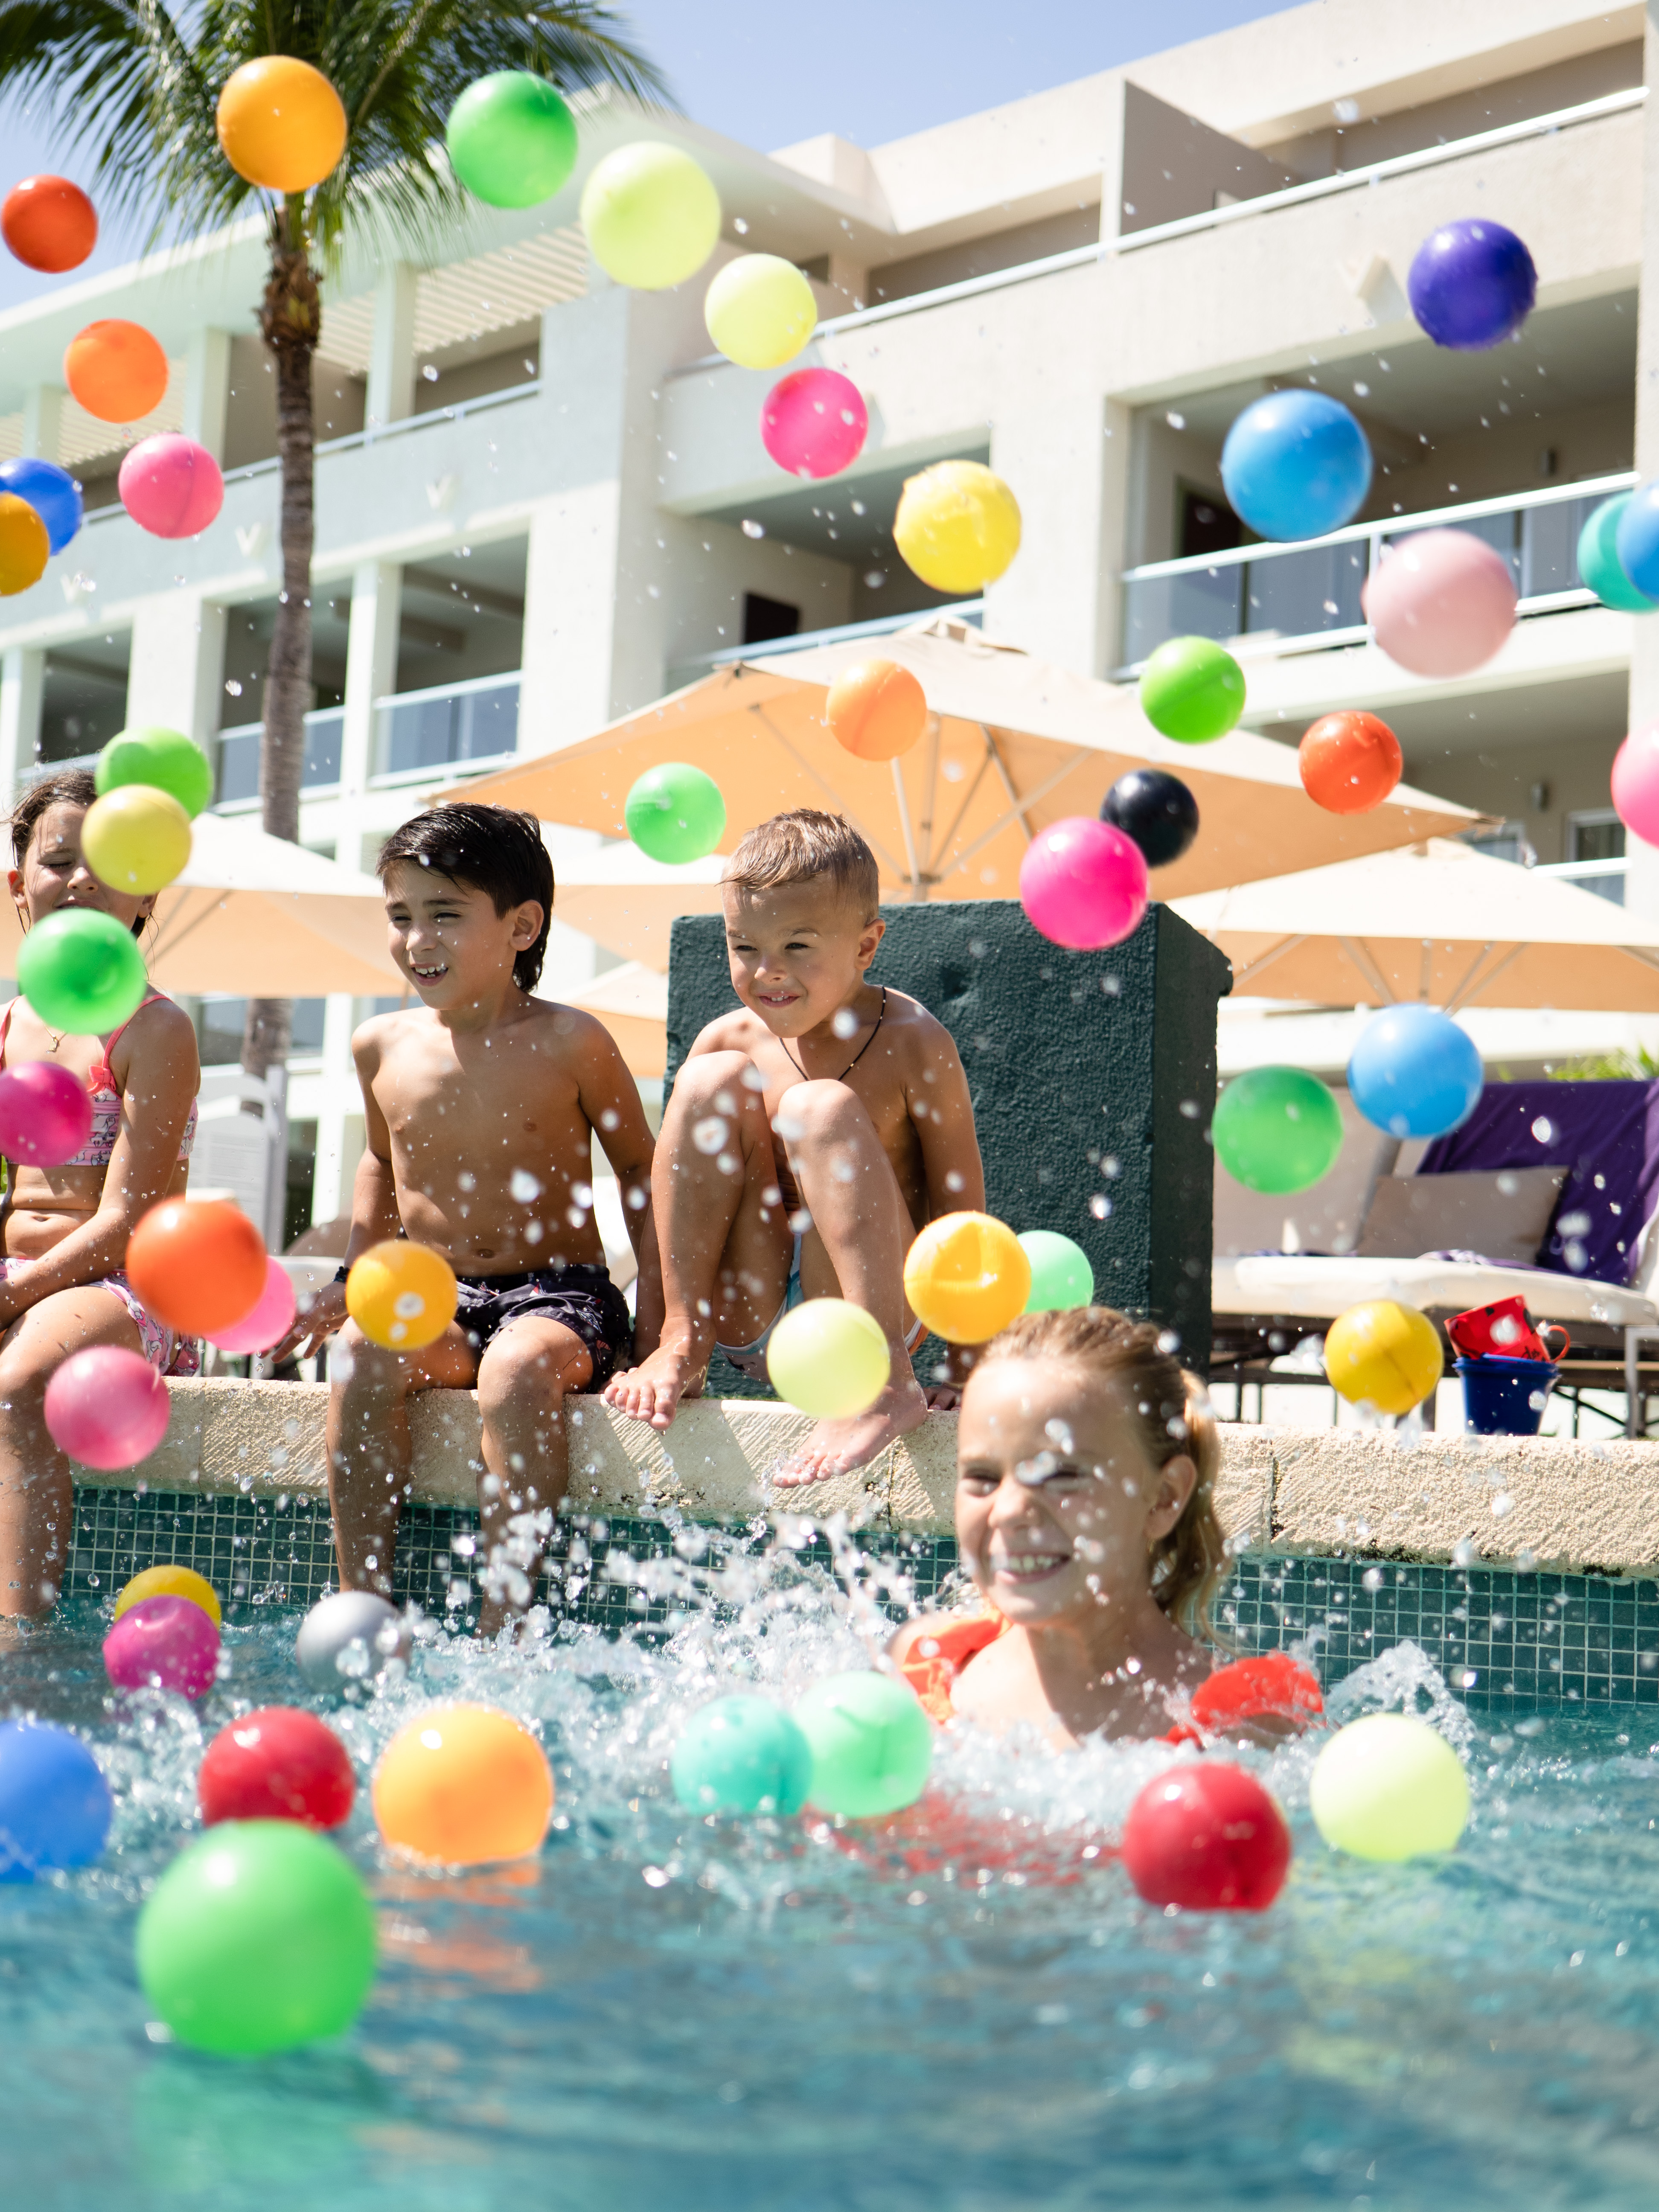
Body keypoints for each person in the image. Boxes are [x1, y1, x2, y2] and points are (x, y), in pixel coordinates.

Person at [282, 803, 659, 1639]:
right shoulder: (380, 1046)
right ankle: (364, 1602)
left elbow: (640, 1168)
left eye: (446, 916)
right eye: (403, 917)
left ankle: (505, 1617)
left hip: (559, 1297)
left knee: (517, 1374)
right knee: (360, 1355)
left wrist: (661, 1316)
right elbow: (382, 1165)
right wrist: (354, 1281)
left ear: (522, 926)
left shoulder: (571, 1041)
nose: (419, 941)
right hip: (437, 1294)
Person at [603, 808, 983, 1485]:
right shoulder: (729, 1040)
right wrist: (652, 1339)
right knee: (706, 1079)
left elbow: (962, 1213)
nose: (768, 972)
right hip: (752, 1308)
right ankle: (683, 1343)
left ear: (866, 947)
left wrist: (969, 1360)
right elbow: (678, 1202)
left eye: (798, 947)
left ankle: (885, 1387)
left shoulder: (913, 1039)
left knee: (821, 1106)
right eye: (745, 947)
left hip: (872, 1315)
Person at [890, 1307, 1321, 1745]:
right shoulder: (918, 1672)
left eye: (1060, 1475)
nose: (1008, 1511)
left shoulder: (1247, 1728)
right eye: (982, 1477)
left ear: (1164, 1497)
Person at [0, 770, 201, 1622]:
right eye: (57, 860)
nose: (80, 879)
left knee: (19, 1386)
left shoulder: (154, 1029)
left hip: (120, 1285)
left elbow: (130, 1221)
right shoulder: (8, 1026)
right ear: (18, 887)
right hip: (20, 1274)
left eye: (108, 861)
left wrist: (15, 1289)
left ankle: (18, 1646)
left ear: (146, 889)